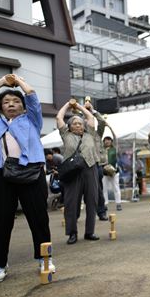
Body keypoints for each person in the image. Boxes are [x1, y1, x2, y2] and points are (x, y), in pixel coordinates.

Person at [0, 74, 54, 283]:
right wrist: (3, 81)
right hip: (0, 173)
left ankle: (44, 259)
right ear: (1, 107)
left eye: (15, 101)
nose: (11, 104)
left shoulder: (32, 119)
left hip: (31, 172)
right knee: (1, 221)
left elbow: (31, 95)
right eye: (6, 102)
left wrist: (18, 81)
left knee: (38, 218)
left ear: (22, 106)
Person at [56, 100, 100, 245]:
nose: (78, 125)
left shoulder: (90, 134)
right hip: (73, 171)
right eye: (74, 123)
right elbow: (59, 118)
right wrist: (69, 105)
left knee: (92, 201)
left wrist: (79, 107)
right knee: (71, 203)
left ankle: (89, 232)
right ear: (69, 127)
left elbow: (91, 118)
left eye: (80, 123)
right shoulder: (66, 135)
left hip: (90, 168)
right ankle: (72, 233)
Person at [85, 100, 108, 221]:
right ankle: (77, 214)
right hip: (83, 165)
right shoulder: (81, 133)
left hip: (97, 165)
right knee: (83, 190)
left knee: (98, 190)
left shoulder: (98, 134)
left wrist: (93, 111)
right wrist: (83, 111)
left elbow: (102, 121)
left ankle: (101, 212)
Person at [102, 136, 122, 211]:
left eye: (109, 140)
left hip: (114, 171)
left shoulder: (114, 149)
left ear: (111, 141)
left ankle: (118, 203)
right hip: (104, 171)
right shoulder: (102, 150)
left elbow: (115, 137)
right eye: (105, 140)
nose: (107, 141)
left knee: (116, 188)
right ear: (103, 142)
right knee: (104, 189)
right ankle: (105, 204)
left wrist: (110, 127)